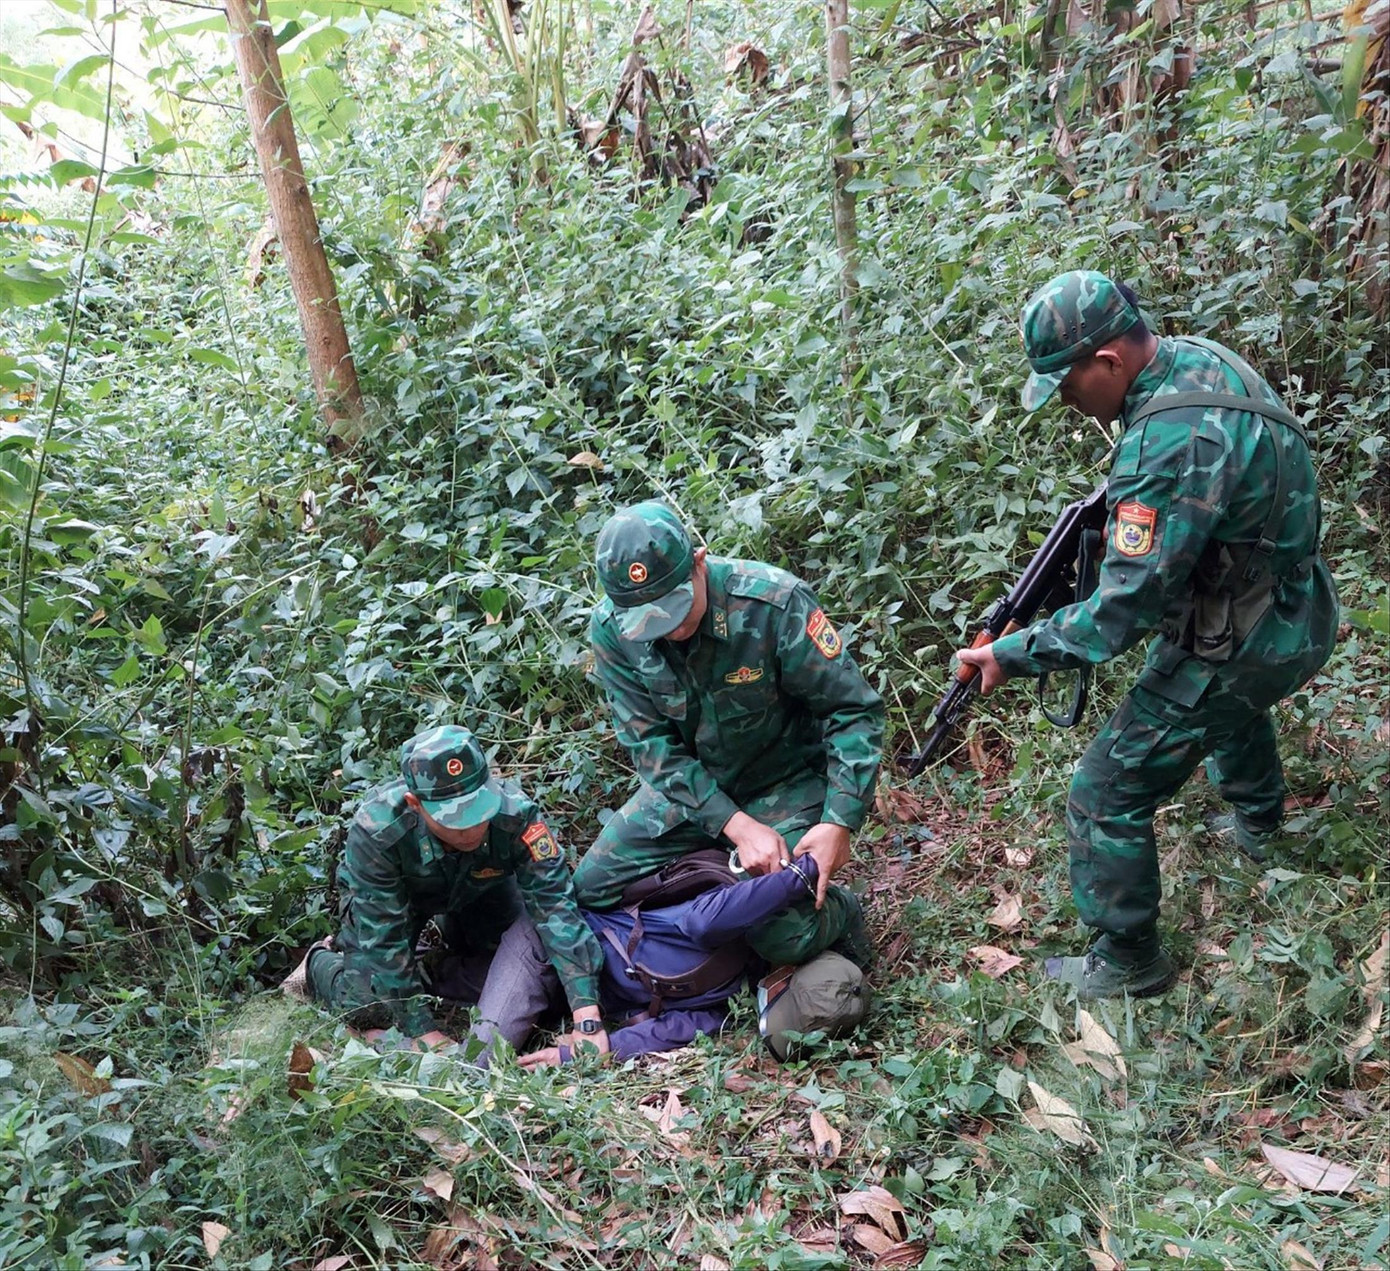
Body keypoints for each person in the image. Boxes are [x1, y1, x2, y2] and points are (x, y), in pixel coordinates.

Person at [956, 271, 1338, 1000]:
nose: (1068, 404)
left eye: (1068, 385)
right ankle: (1260, 821)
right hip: (1296, 603)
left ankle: (1130, 960)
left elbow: (1118, 616)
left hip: (1252, 634)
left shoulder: (1162, 443)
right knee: (1213, 687)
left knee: (1104, 789)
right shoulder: (1200, 359)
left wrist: (1011, 652)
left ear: (1109, 361)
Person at [575, 500, 885, 969]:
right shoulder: (613, 631)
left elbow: (852, 710)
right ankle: (717, 892)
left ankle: (838, 913)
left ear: (699, 562)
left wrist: (838, 821)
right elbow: (653, 751)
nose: (671, 628)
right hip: (692, 792)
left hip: (786, 780)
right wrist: (736, 828)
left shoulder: (771, 603)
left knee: (782, 935)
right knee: (591, 890)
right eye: (649, 620)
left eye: (676, 608)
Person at [282, 725, 609, 1057]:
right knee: (368, 1005)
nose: (470, 829)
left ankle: (437, 964)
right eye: (454, 818)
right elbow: (384, 941)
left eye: (478, 810)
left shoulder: (516, 816)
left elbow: (555, 908)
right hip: (401, 902)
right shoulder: (378, 832)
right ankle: (317, 964)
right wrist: (424, 1032)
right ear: (415, 804)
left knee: (521, 968)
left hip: (481, 891)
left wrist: (587, 1015)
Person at [503, 853, 869, 1068]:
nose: (762, 1006)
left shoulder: (731, 1006)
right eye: (774, 1004)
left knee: (460, 984)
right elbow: (721, 912)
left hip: (560, 999)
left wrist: (577, 1055)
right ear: (788, 972)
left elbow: (670, 1030)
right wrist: (807, 869)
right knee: (485, 1042)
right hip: (552, 939)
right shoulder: (725, 927)